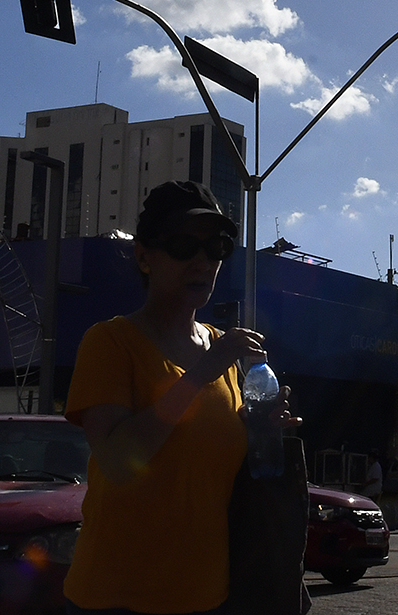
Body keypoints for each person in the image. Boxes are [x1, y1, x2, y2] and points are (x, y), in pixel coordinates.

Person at [63, 180, 295, 615]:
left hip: (209, 594)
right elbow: (117, 461)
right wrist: (202, 373)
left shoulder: (222, 347)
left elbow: (206, 470)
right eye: (184, 245)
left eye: (217, 248)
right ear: (144, 256)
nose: (203, 261)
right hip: (118, 598)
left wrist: (262, 430)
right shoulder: (111, 342)